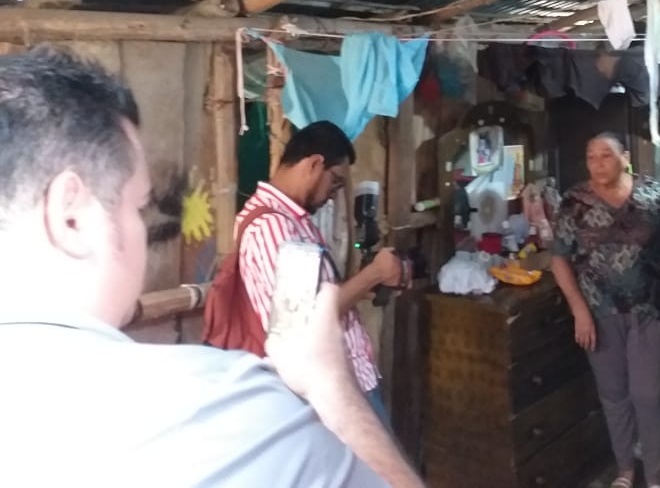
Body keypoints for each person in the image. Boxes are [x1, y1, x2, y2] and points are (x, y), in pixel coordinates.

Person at [0, 46, 422, 488]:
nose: (145, 232)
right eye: (140, 208)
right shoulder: (223, 408)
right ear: (71, 217)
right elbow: (295, 326)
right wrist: (333, 381)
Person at [237, 120, 402, 424]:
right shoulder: (273, 226)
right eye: (335, 182)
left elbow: (315, 296)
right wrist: (374, 274)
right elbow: (306, 319)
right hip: (331, 395)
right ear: (314, 164)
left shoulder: (293, 220)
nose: (333, 195)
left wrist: (362, 288)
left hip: (344, 385)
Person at [551, 133, 660, 488]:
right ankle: (625, 470)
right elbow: (559, 258)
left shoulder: (654, 195)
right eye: (591, 157)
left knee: (648, 394)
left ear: (626, 158)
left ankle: (654, 476)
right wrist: (579, 310)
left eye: (606, 155)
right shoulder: (574, 201)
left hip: (648, 307)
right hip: (598, 312)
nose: (598, 163)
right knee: (614, 394)